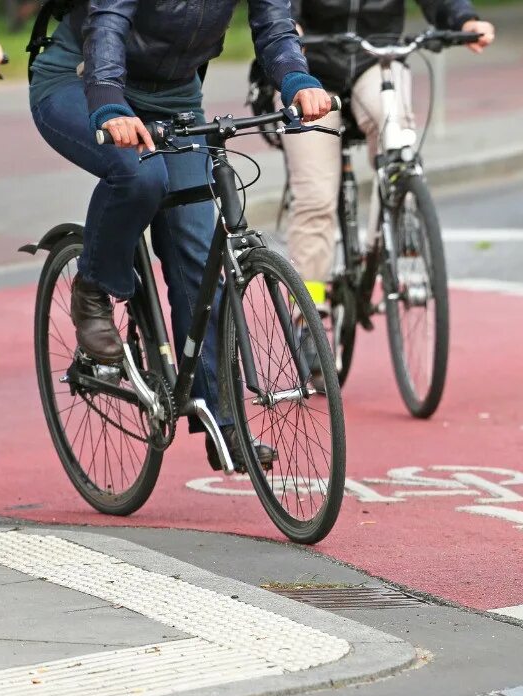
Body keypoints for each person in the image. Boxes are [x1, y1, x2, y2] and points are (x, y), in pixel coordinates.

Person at [28, 0, 330, 469]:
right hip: (82, 79)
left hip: (173, 97)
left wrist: (297, 79)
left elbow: (274, 25)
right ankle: (93, 287)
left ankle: (223, 423)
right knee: (139, 179)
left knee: (195, 253)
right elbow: (107, 23)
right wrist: (108, 101)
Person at [283, 0, 495, 309]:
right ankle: (306, 315)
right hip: (311, 71)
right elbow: (279, 10)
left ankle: (389, 230)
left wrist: (464, 21)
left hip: (377, 61)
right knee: (314, 197)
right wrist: (291, 33)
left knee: (397, 136)